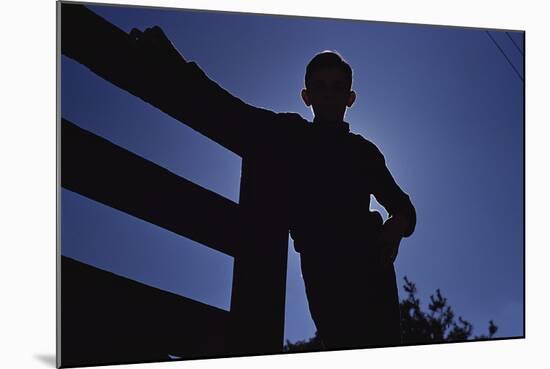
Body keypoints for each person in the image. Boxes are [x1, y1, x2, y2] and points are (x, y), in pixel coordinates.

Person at [131, 26, 416, 350]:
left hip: (372, 270)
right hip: (325, 270)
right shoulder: (290, 134)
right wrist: (170, 60)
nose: (328, 94)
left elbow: (404, 206)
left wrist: (396, 225)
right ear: (306, 96)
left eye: (338, 88)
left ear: (350, 98)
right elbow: (227, 110)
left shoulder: (364, 152)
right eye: (320, 87)